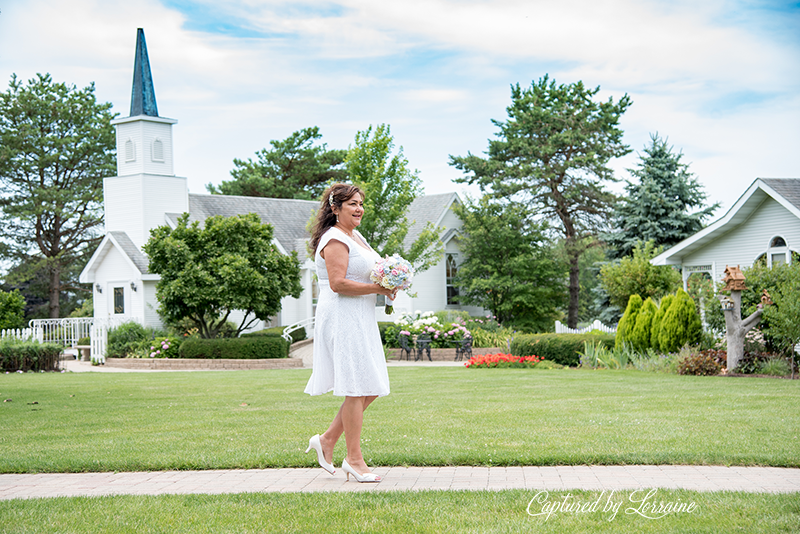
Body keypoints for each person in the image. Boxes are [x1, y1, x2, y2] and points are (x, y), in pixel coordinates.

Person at [304, 183, 397, 483]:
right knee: (357, 386)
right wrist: (377, 288)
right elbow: (337, 283)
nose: (359, 209)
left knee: (369, 385)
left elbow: (371, 271)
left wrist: (391, 284)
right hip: (342, 318)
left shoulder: (355, 236)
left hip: (361, 316)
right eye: (352, 204)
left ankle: (327, 440)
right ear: (335, 208)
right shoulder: (333, 239)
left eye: (360, 204)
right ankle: (354, 460)